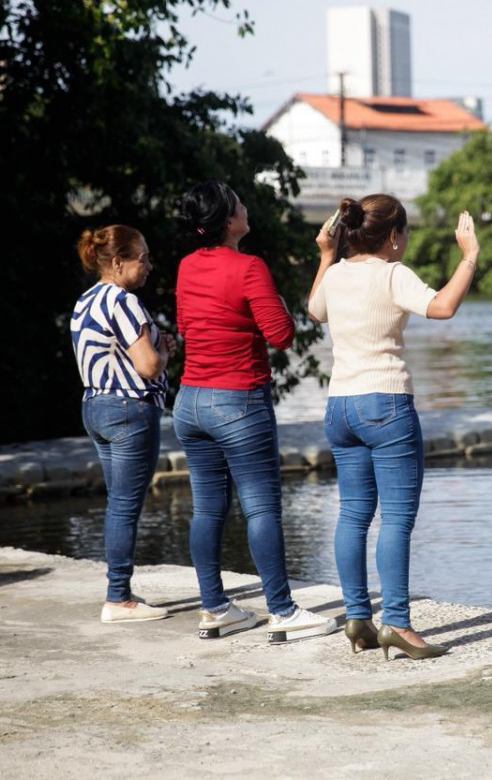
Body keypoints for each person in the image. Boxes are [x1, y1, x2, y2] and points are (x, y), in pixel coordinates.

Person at [307, 194, 480, 661]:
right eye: (404, 232)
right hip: (385, 404)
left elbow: (316, 312)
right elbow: (442, 307)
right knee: (397, 518)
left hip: (339, 406)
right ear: (393, 236)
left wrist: (326, 256)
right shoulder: (391, 273)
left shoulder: (338, 272)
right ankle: (398, 624)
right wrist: (469, 258)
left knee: (353, 514)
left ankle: (358, 617)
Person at [173, 179, 336, 644]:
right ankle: (282, 611)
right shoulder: (249, 267)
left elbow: (187, 326)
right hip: (238, 400)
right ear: (228, 221)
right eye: (240, 203)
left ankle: (215, 608)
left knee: (208, 508)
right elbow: (282, 335)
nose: (246, 207)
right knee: (261, 507)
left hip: (191, 401)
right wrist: (277, 298)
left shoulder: (185, 266)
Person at [70, 225, 173, 624]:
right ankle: (118, 598)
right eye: (142, 258)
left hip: (95, 405)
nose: (149, 265)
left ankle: (120, 590)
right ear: (117, 262)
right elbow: (147, 365)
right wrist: (163, 352)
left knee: (118, 503)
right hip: (130, 408)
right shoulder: (124, 301)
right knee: (125, 506)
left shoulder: (86, 299)